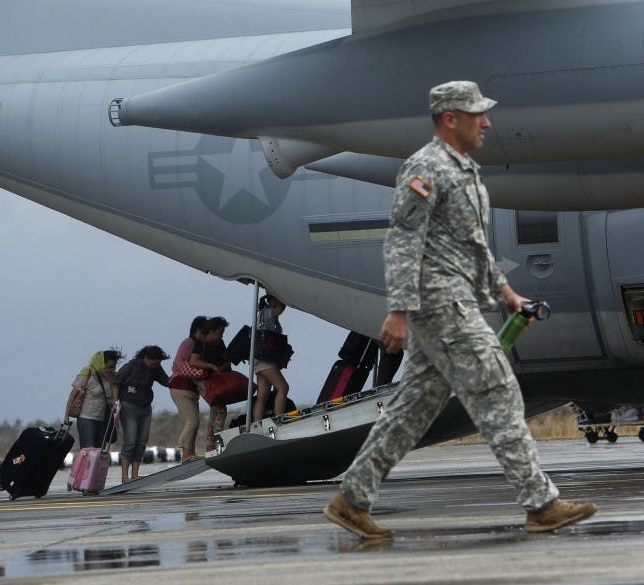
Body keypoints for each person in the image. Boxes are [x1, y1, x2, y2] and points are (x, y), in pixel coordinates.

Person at [324, 81, 597, 539]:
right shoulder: (426, 167)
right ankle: (541, 503)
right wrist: (400, 309)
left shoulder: (465, 170)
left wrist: (507, 294)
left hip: (455, 299)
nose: (486, 122)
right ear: (450, 119)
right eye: (477, 115)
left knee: (411, 408)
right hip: (440, 304)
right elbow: (403, 240)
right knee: (498, 390)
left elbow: (473, 244)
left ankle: (351, 501)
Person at [113, 346, 170, 482]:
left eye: (158, 363)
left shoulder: (156, 368)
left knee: (141, 442)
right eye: (153, 363)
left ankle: (135, 475)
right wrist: (115, 402)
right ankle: (125, 476)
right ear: (145, 358)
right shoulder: (131, 366)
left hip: (146, 407)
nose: (155, 365)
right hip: (129, 406)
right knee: (131, 441)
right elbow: (116, 382)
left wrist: (180, 377)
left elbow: (166, 381)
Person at [64, 350, 122, 449]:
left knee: (100, 451)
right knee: (88, 450)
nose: (111, 369)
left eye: (113, 366)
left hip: (103, 419)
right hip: (86, 418)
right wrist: (66, 416)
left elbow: (115, 396)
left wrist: (115, 404)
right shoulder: (88, 373)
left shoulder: (114, 376)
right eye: (109, 366)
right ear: (102, 363)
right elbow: (72, 395)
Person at [189, 316, 230, 451]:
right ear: (211, 331)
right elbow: (194, 361)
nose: (221, 336)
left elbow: (226, 360)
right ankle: (212, 444)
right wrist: (211, 366)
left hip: (219, 380)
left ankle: (212, 443)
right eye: (219, 333)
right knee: (219, 410)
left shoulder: (220, 344)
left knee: (219, 410)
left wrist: (224, 366)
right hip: (206, 381)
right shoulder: (201, 344)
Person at [170, 316, 208, 462]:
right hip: (180, 386)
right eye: (204, 332)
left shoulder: (198, 345)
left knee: (193, 421)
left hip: (189, 388)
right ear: (198, 329)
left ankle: (189, 453)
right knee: (192, 421)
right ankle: (185, 453)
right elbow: (178, 362)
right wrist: (194, 374)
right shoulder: (189, 342)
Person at [251, 294, 290, 422]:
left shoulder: (262, 314)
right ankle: (279, 419)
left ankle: (257, 424)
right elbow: (280, 309)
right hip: (265, 360)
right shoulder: (268, 313)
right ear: (272, 300)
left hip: (258, 361)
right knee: (283, 387)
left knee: (263, 395)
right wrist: (282, 296)